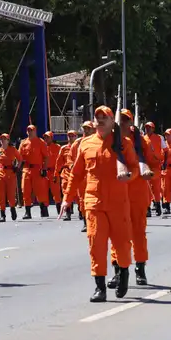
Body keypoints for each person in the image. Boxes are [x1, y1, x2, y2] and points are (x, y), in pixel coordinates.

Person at [61, 106, 138, 302]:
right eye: (98, 118)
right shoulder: (85, 144)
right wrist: (67, 199)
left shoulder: (123, 143)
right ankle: (100, 287)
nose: (101, 120)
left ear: (113, 122)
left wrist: (128, 175)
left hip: (118, 202)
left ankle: (123, 273)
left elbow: (135, 167)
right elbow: (76, 174)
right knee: (96, 244)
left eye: (105, 118)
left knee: (121, 244)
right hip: (93, 202)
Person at [108, 109, 153, 287]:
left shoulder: (140, 141)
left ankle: (140, 268)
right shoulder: (109, 139)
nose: (123, 123)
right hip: (117, 191)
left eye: (126, 120)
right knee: (117, 233)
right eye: (120, 120)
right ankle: (118, 271)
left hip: (137, 193)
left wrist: (150, 173)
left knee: (138, 233)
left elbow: (153, 164)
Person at [19, 125, 50, 219]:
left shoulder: (41, 142)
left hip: (37, 169)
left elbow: (46, 157)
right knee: (25, 190)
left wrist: (44, 169)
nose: (30, 132)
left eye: (31, 130)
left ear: (35, 131)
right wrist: (17, 167)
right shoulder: (23, 143)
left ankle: (43, 208)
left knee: (40, 190)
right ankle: (27, 212)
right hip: (26, 169)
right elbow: (19, 157)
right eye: (28, 130)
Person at [0, 133, 20, 222]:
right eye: (1, 139)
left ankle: (12, 209)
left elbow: (20, 159)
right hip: (0, 174)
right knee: (1, 196)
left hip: (10, 174)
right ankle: (2, 215)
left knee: (11, 195)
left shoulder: (13, 149)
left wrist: (17, 167)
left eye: (4, 139)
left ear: (8, 141)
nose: (2, 140)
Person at [43, 131, 62, 214]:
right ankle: (44, 211)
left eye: (48, 137)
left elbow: (61, 159)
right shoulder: (42, 147)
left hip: (54, 172)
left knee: (56, 191)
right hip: (45, 172)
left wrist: (59, 171)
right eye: (45, 137)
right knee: (43, 191)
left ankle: (59, 210)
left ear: (51, 138)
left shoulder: (57, 147)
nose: (46, 139)